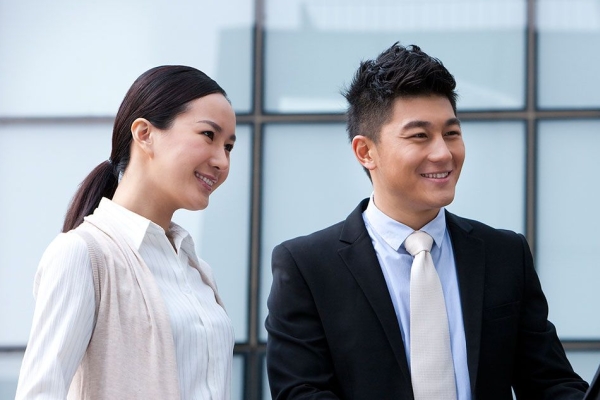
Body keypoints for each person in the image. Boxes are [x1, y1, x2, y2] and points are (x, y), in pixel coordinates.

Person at [265, 43, 589, 399]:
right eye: (420, 136)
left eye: (451, 133)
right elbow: (300, 392)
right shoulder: (307, 266)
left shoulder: (504, 254)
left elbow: (550, 384)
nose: (444, 153)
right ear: (365, 151)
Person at [15, 65, 237, 399]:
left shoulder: (198, 270)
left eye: (229, 146)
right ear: (145, 133)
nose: (222, 160)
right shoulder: (83, 254)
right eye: (209, 135)